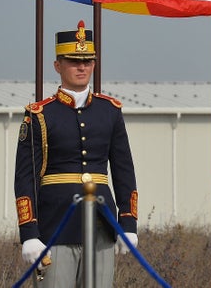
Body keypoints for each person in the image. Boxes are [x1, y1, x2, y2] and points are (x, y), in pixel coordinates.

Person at [14, 20, 138, 287]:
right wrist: (29, 232)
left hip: (102, 226)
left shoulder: (110, 111)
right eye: (73, 61)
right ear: (58, 66)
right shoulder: (39, 115)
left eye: (88, 61)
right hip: (54, 227)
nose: (82, 67)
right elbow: (25, 179)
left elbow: (124, 171)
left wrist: (128, 222)